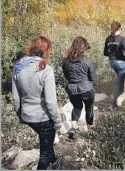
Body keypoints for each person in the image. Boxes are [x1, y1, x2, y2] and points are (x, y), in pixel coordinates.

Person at [12, 36, 63, 170]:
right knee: (44, 152)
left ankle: (53, 160)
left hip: (27, 115)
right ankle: (47, 162)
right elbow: (50, 102)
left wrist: (21, 116)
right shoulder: (46, 69)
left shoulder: (18, 67)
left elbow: (16, 98)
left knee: (47, 140)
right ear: (46, 50)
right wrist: (57, 122)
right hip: (42, 117)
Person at [62, 36, 96, 139]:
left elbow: (66, 76)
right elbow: (92, 77)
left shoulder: (65, 61)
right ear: (83, 48)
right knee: (89, 109)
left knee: (77, 107)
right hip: (87, 90)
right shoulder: (88, 61)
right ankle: (90, 131)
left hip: (72, 90)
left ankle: (72, 128)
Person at [104, 21, 125, 107]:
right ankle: (115, 104)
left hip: (112, 62)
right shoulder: (122, 39)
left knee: (121, 80)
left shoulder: (108, 39)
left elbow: (105, 53)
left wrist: (113, 54)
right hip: (121, 64)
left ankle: (123, 99)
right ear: (119, 29)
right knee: (120, 84)